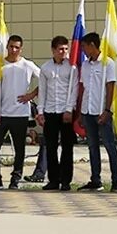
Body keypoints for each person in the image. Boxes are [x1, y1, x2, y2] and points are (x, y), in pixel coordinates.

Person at [0, 34, 39, 190]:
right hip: (2, 113)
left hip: (20, 113)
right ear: (7, 47)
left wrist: (31, 95)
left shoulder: (27, 65)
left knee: (19, 148)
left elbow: (46, 80)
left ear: (21, 49)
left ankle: (16, 178)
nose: (13, 50)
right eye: (11, 46)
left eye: (17, 47)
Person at [77, 32, 117, 192]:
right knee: (92, 146)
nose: (83, 50)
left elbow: (110, 88)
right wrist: (81, 111)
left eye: (84, 46)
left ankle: (116, 180)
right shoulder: (86, 65)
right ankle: (95, 179)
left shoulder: (107, 63)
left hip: (101, 110)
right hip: (88, 110)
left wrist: (107, 110)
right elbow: (83, 88)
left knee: (109, 145)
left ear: (92, 45)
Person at [33, 36, 77, 191]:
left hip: (66, 112)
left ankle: (66, 181)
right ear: (53, 50)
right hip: (50, 111)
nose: (63, 52)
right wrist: (40, 111)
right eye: (60, 49)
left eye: (66, 49)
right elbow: (42, 91)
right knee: (50, 147)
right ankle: (53, 180)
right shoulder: (45, 68)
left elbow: (74, 90)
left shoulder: (72, 67)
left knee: (67, 147)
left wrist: (69, 109)